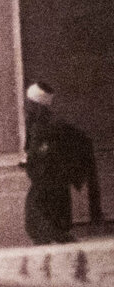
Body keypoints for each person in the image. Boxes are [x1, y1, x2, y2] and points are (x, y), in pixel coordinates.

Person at [23, 82, 102, 245]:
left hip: (50, 184)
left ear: (38, 106)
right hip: (47, 184)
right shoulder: (37, 124)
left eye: (29, 104)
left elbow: (52, 150)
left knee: (40, 224)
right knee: (45, 227)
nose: (26, 107)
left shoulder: (52, 125)